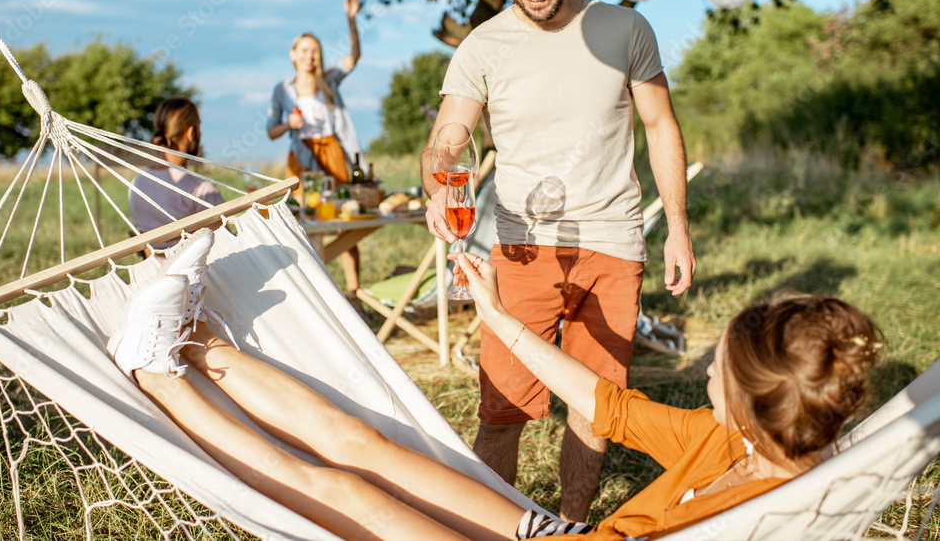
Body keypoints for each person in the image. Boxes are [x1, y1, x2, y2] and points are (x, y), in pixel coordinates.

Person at [107, 231, 882, 541]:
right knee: (364, 442)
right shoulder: (734, 437)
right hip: (561, 538)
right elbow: (605, 401)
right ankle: (196, 340)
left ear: (747, 396)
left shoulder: (778, 516)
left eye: (717, 364)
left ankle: (152, 369)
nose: (705, 363)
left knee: (346, 490)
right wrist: (501, 318)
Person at [419, 0, 696, 520]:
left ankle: (572, 525)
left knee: (596, 402)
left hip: (613, 241)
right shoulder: (481, 47)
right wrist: (439, 181)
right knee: (501, 408)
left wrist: (677, 226)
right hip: (519, 247)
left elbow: (660, 125)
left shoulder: (625, 28)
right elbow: (448, 138)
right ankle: (490, 527)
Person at [267, 0, 364, 299]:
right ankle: (312, 296)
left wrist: (351, 19)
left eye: (315, 51)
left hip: (332, 154)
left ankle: (352, 294)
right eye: (304, 50)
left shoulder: (329, 81)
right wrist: (287, 124)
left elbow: (354, 56)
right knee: (301, 225)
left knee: (342, 224)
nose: (310, 56)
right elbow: (271, 131)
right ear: (293, 54)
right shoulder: (283, 89)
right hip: (301, 159)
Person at [129, 98, 224, 248]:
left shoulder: (136, 184)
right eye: (198, 127)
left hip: (149, 271)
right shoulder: (202, 190)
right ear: (191, 132)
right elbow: (226, 246)